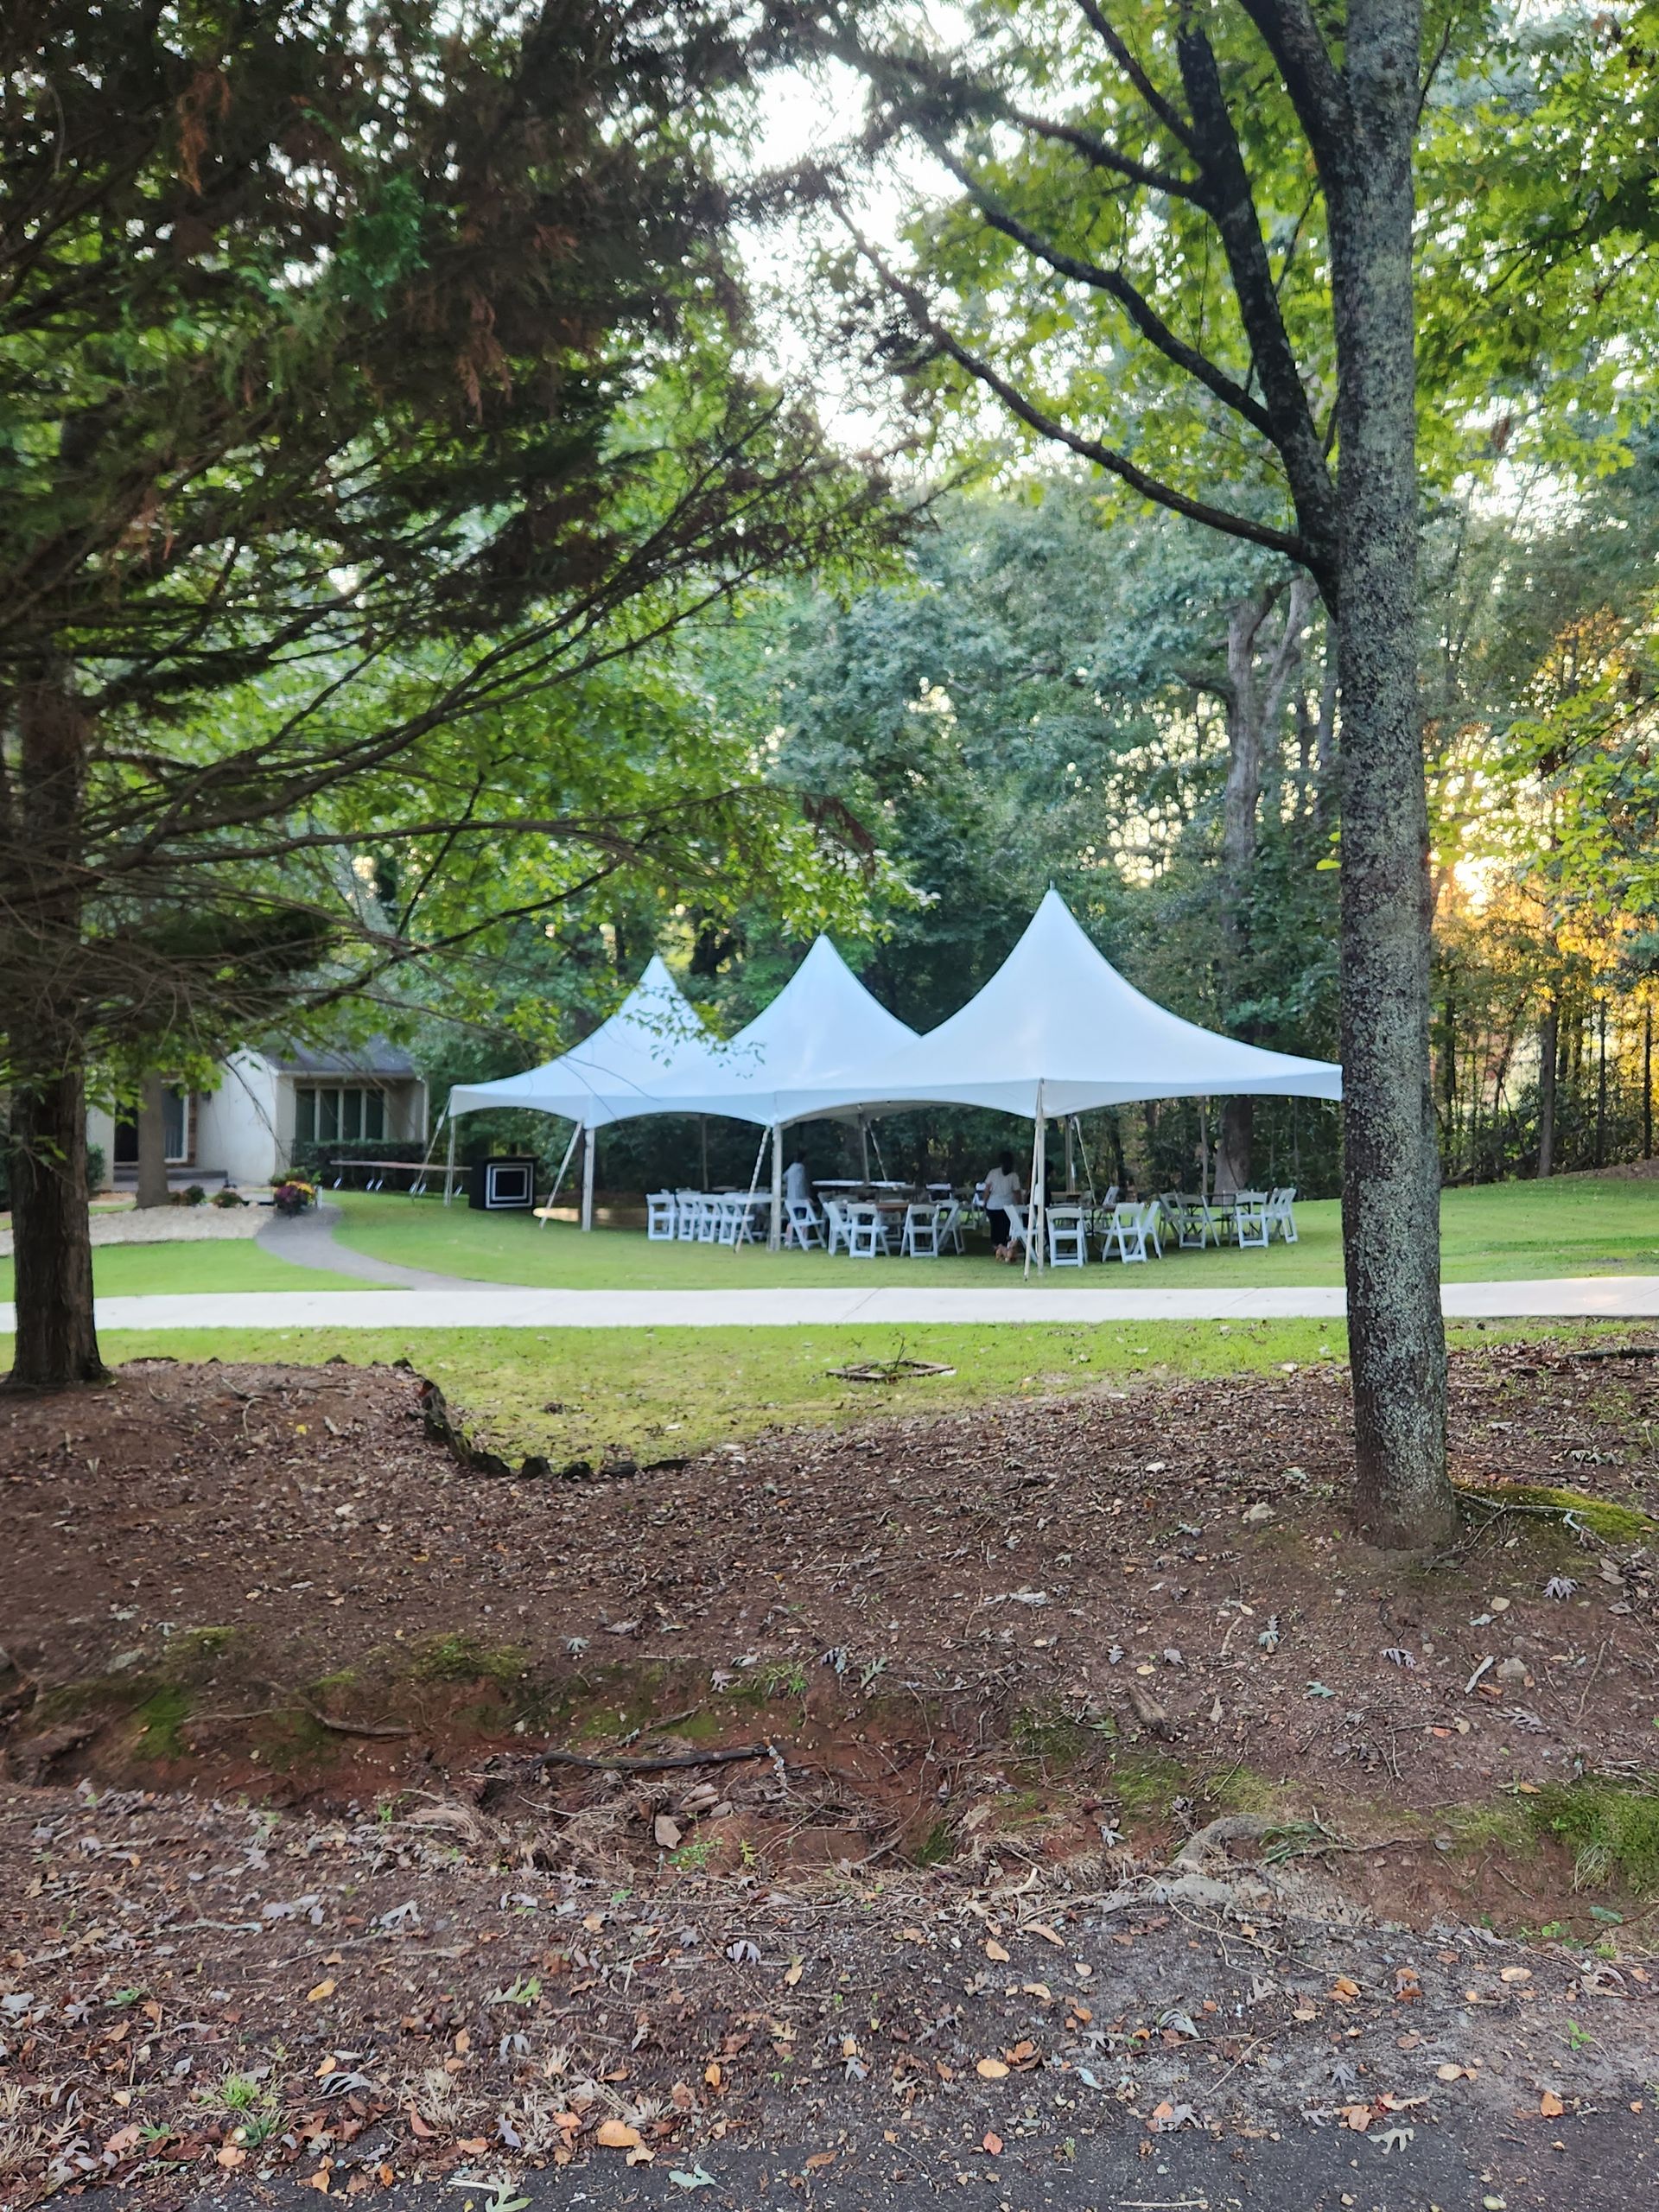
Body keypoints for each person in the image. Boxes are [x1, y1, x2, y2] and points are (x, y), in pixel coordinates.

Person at [982, 1149, 1024, 1261]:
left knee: (995, 1229)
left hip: (992, 1206)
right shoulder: (1013, 1176)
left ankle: (997, 1248)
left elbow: (987, 1190)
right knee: (1006, 1229)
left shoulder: (993, 1173)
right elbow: (1017, 1192)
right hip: (1007, 1207)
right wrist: (1021, 1204)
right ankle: (1006, 1249)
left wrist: (984, 1202)